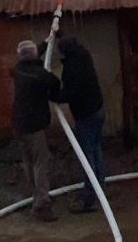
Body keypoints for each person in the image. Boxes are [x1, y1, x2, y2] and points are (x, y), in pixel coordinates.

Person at [52, 36, 105, 213]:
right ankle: (99, 187)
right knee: (96, 149)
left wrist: (52, 95)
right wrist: (58, 34)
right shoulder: (83, 54)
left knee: (87, 155)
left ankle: (89, 198)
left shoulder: (72, 69)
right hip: (98, 109)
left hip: (86, 115)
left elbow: (69, 94)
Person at [10, 40, 61, 222]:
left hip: (18, 125)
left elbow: (30, 57)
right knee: (41, 163)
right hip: (34, 126)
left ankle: (36, 196)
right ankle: (42, 205)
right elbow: (55, 83)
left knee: (29, 162)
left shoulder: (17, 70)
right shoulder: (41, 76)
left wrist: (45, 43)